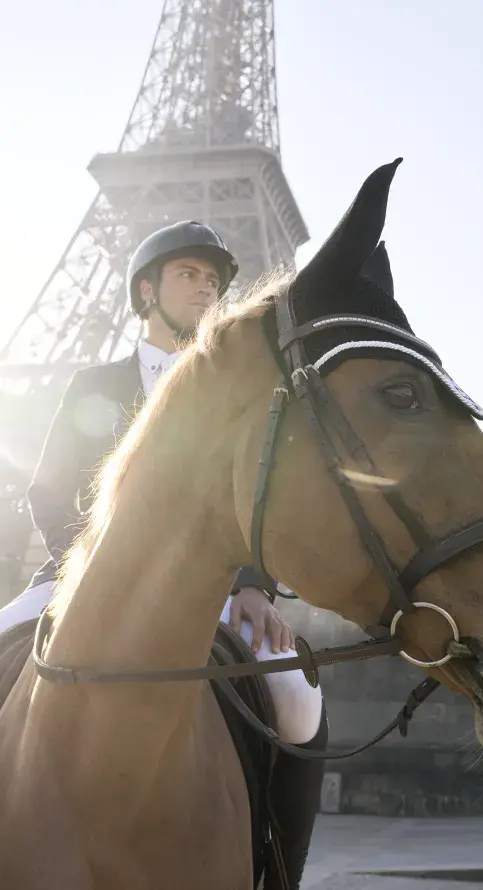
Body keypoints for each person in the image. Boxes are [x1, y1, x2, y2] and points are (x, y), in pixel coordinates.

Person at [0, 221, 326, 889]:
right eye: (189, 275)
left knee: (298, 698)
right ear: (146, 290)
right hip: (78, 578)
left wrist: (255, 584)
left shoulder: (242, 398)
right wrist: (91, 570)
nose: (206, 289)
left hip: (219, 589)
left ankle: (281, 870)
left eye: (213, 280)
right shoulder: (94, 383)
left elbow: (260, 504)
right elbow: (52, 489)